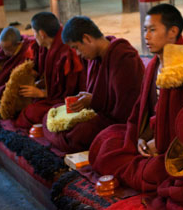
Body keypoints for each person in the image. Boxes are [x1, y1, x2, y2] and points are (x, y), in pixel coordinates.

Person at [89, 4, 183, 192]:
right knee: (106, 140)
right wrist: (141, 137)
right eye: (145, 30)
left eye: (152, 30)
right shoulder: (153, 65)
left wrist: (161, 144)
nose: (146, 37)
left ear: (172, 31)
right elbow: (142, 109)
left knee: (154, 173)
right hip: (155, 136)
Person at [41, 16, 144, 153]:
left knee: (80, 133)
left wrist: (93, 101)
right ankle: (63, 137)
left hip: (118, 122)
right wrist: (88, 98)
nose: (78, 54)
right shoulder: (95, 57)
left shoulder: (124, 57)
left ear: (87, 39)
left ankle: (63, 138)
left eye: (77, 48)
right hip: (98, 113)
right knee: (51, 113)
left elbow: (126, 109)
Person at [15, 12, 85, 129]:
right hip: (52, 95)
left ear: (42, 34)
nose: (34, 36)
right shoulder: (45, 47)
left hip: (68, 102)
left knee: (29, 112)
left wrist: (42, 93)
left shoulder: (67, 53)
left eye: (34, 32)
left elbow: (71, 92)